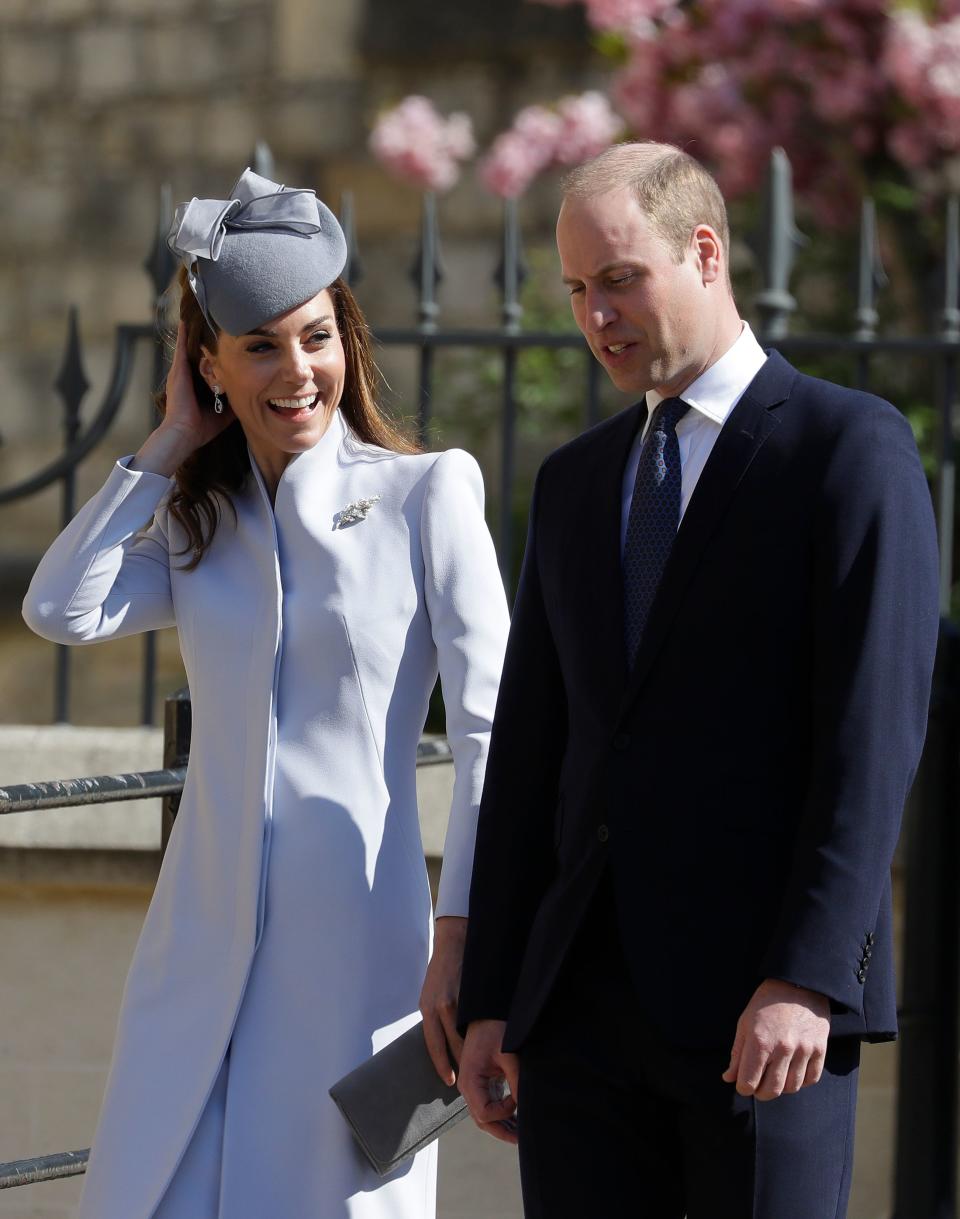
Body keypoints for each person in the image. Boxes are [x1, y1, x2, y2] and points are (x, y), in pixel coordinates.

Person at [456, 141, 941, 1218]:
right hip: (578, 1016)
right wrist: (495, 994)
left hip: (761, 1017)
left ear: (705, 252)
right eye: (579, 290)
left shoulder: (846, 449)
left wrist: (809, 976)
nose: (597, 315)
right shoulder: (576, 483)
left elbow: (871, 739)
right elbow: (533, 750)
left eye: (621, 278)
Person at [22, 168, 509, 1219]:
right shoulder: (203, 530)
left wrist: (465, 935)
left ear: (349, 341)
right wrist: (166, 447)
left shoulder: (429, 493)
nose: (298, 370)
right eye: (261, 346)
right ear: (209, 367)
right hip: (196, 951)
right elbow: (60, 610)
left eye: (317, 337)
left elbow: (491, 733)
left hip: (359, 956)